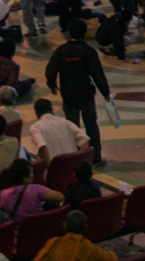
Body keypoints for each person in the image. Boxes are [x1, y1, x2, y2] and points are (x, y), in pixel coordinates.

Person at [45, 19, 110, 165]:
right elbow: (97, 74)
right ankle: (95, 157)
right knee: (91, 125)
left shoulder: (61, 50)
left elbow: (50, 69)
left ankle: (74, 158)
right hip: (86, 94)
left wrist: (52, 84)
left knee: (72, 127)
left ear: (68, 33)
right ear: (85, 33)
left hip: (68, 95)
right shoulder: (89, 51)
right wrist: (106, 92)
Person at [0, 158, 65, 224]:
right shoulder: (36, 189)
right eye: (31, 173)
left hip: (20, 232)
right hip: (41, 228)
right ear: (25, 178)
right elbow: (61, 197)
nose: (33, 175)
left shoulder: (3, 194)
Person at [33, 210, 118, 261]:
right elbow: (111, 258)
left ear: (64, 226)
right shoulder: (88, 247)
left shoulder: (53, 242)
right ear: (86, 227)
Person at [30, 97, 90, 161]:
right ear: (52, 110)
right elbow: (85, 140)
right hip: (73, 166)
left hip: (56, 168)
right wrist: (80, 161)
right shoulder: (66, 122)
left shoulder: (36, 128)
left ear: (36, 114)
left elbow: (42, 147)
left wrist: (49, 167)